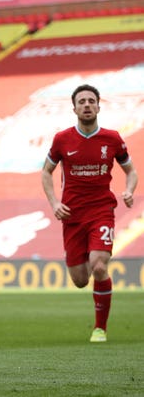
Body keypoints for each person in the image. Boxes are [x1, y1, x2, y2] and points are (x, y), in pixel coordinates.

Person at [41, 84, 138, 343]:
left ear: (98, 106)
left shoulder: (113, 139)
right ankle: (81, 257)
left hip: (101, 211)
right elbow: (46, 172)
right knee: (81, 280)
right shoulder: (62, 139)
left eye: (91, 101)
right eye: (81, 101)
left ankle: (100, 329)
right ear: (74, 108)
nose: (86, 105)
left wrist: (129, 191)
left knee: (98, 265)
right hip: (72, 216)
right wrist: (54, 204)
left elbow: (131, 171)